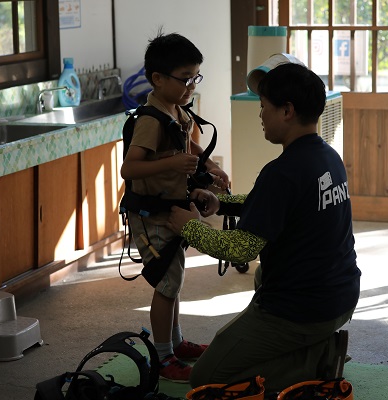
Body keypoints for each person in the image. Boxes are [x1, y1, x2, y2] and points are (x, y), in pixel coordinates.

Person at [166, 62, 361, 393]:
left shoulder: (281, 173)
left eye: (264, 107)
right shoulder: (328, 156)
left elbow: (241, 249)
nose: (260, 116)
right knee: (261, 276)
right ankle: (308, 344)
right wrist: (222, 203)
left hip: (303, 309)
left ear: (286, 111)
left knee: (205, 379)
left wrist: (191, 227)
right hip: (341, 296)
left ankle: (318, 358)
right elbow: (281, 204)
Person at [120, 32, 229, 383]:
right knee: (167, 283)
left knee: (174, 280)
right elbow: (130, 168)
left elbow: (189, 148)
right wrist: (171, 166)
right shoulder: (150, 120)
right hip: (150, 214)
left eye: (196, 77)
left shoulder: (177, 109)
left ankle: (177, 343)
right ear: (158, 79)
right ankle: (164, 358)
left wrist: (210, 168)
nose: (191, 86)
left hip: (171, 209)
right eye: (186, 79)